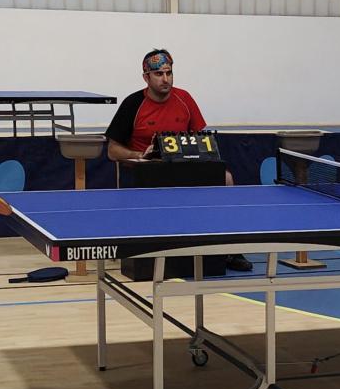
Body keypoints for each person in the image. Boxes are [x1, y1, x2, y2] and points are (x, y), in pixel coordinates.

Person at [104, 48, 252, 272]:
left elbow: (201, 140)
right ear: (146, 77)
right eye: (159, 74)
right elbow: (112, 151)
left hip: (184, 169)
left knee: (226, 178)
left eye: (169, 73)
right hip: (148, 172)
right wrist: (139, 155)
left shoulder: (185, 99)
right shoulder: (133, 104)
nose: (165, 79)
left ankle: (228, 249)